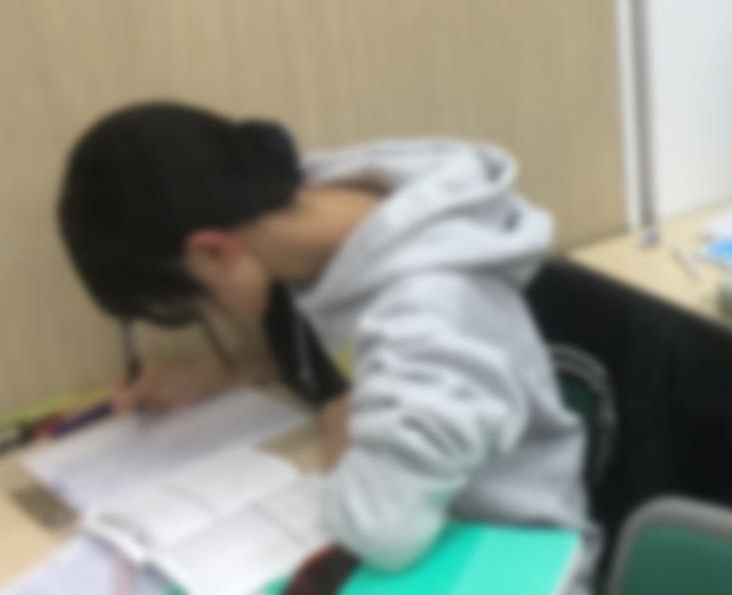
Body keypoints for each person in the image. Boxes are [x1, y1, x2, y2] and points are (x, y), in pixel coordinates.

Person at [57, 103, 595, 586]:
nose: (208, 318)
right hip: (437, 514)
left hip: (512, 561)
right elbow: (344, 347)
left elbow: (382, 530)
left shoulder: (429, 312)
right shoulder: (319, 209)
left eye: (195, 309)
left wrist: (342, 443)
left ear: (215, 252)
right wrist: (219, 371)